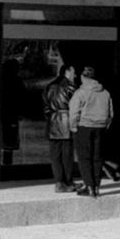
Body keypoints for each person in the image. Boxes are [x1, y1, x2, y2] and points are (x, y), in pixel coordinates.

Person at [68, 64, 114, 198]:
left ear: (83, 77)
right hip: (100, 127)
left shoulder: (80, 93)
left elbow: (74, 112)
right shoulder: (105, 93)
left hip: (84, 127)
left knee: (85, 158)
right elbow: (111, 113)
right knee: (97, 158)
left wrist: (73, 126)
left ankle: (89, 187)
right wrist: (105, 125)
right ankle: (97, 186)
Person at [43, 61, 79, 193]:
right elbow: (76, 106)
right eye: (73, 73)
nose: (75, 76)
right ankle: (68, 181)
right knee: (67, 155)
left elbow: (45, 106)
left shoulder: (49, 86)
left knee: (55, 155)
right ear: (67, 72)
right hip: (66, 122)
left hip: (53, 122)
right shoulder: (70, 87)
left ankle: (59, 181)